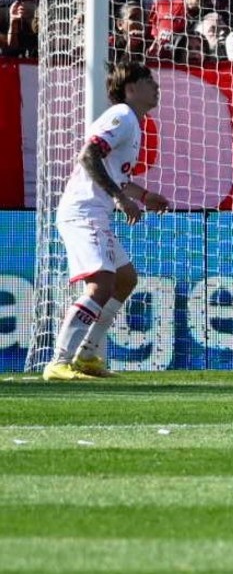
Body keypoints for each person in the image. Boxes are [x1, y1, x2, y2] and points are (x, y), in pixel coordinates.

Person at [44, 60, 170, 380]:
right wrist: (120, 198)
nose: (156, 87)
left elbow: (115, 173)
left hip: (95, 213)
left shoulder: (133, 123)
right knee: (101, 283)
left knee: (125, 279)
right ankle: (59, 362)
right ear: (130, 89)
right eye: (148, 81)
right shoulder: (122, 115)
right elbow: (88, 156)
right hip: (83, 211)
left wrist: (143, 196)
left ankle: (87, 356)